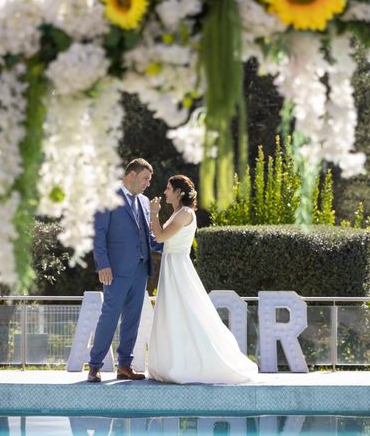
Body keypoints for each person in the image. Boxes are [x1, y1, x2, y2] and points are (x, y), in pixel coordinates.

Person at [147, 175, 258, 384]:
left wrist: (153, 214)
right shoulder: (178, 212)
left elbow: (160, 237)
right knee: (173, 314)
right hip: (171, 266)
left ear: (179, 192)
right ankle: (173, 361)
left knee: (188, 313)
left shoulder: (185, 213)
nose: (165, 192)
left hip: (179, 268)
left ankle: (193, 364)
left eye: (169, 189)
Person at [87, 158, 162, 383]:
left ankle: (125, 366)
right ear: (131, 175)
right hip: (115, 271)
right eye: (145, 178)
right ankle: (94, 366)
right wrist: (103, 265)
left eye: (149, 179)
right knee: (109, 318)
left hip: (140, 271)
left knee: (132, 320)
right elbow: (98, 235)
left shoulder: (145, 201)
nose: (148, 183)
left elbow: (148, 237)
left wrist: (172, 246)